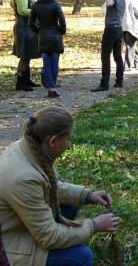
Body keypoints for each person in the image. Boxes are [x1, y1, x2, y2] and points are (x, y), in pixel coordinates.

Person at [0, 106, 121, 266]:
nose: (69, 144)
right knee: (81, 257)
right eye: (68, 139)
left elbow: (51, 187)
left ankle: (66, 240)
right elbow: (49, 237)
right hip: (10, 248)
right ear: (53, 141)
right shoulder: (22, 178)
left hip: (21, 225)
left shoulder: (30, 147)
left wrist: (87, 195)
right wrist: (94, 225)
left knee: (71, 205)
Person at [29, 0, 66, 98]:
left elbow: (31, 23)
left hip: (43, 35)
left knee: (46, 63)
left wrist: (38, 31)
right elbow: (62, 20)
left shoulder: (36, 5)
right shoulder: (55, 5)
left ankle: (51, 87)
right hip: (55, 36)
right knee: (55, 62)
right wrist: (62, 30)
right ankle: (52, 86)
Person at [91, 0, 125, 92]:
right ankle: (119, 81)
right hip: (119, 28)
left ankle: (104, 84)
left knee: (105, 56)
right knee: (117, 56)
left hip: (111, 29)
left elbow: (110, 4)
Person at [11, 0, 40, 91]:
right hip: (24, 28)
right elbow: (22, 11)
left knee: (26, 56)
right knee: (24, 56)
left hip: (24, 28)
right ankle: (20, 83)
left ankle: (26, 80)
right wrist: (36, 9)